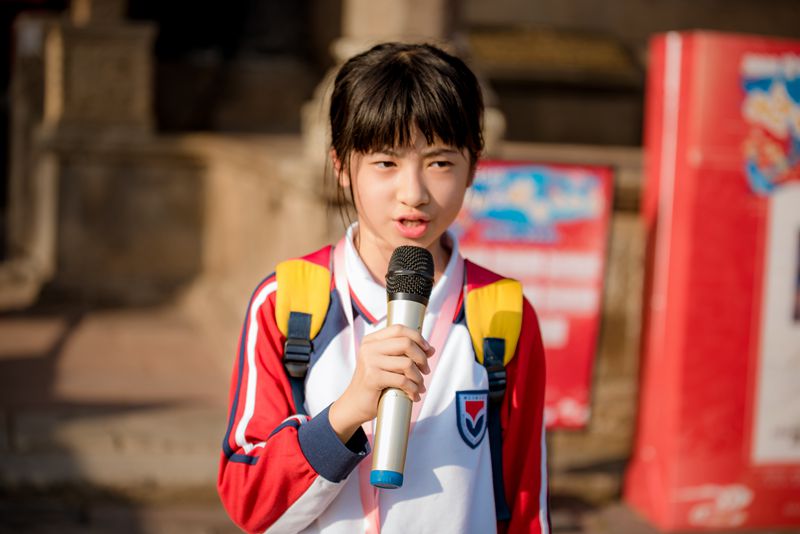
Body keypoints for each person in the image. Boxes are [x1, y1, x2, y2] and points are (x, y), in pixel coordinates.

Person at [217, 42, 549, 534]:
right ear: (341, 166)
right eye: (386, 163)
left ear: (474, 166)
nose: (413, 193)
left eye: (440, 163)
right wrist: (347, 411)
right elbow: (250, 502)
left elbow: (525, 504)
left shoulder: (502, 313)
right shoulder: (287, 303)